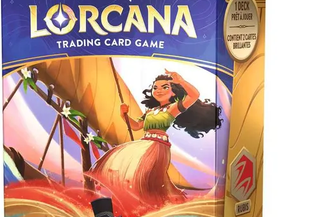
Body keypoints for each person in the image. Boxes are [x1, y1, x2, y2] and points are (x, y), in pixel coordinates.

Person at [86, 70, 222, 209]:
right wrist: (124, 115)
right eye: (155, 87)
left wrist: (180, 81)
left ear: (173, 92)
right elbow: (136, 126)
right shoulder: (149, 111)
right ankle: (134, 204)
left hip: (158, 147)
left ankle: (151, 204)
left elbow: (194, 95)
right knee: (133, 173)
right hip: (144, 145)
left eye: (164, 87)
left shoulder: (172, 108)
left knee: (146, 176)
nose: (159, 90)